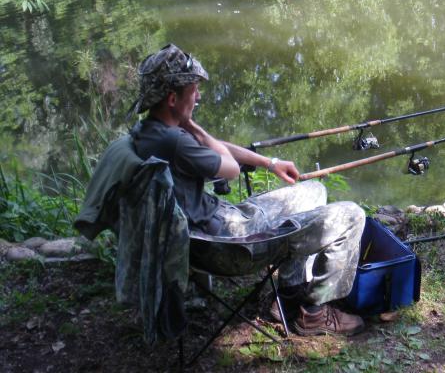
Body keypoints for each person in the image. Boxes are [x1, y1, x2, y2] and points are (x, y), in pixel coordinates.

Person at [128, 44, 366, 336]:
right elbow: (228, 167)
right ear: (173, 98)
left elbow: (211, 150)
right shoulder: (177, 140)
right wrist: (194, 126)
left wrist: (270, 162)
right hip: (231, 247)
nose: (199, 96)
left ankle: (289, 296)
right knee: (352, 215)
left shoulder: (148, 132)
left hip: (213, 231)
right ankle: (314, 313)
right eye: (194, 90)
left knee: (313, 191)